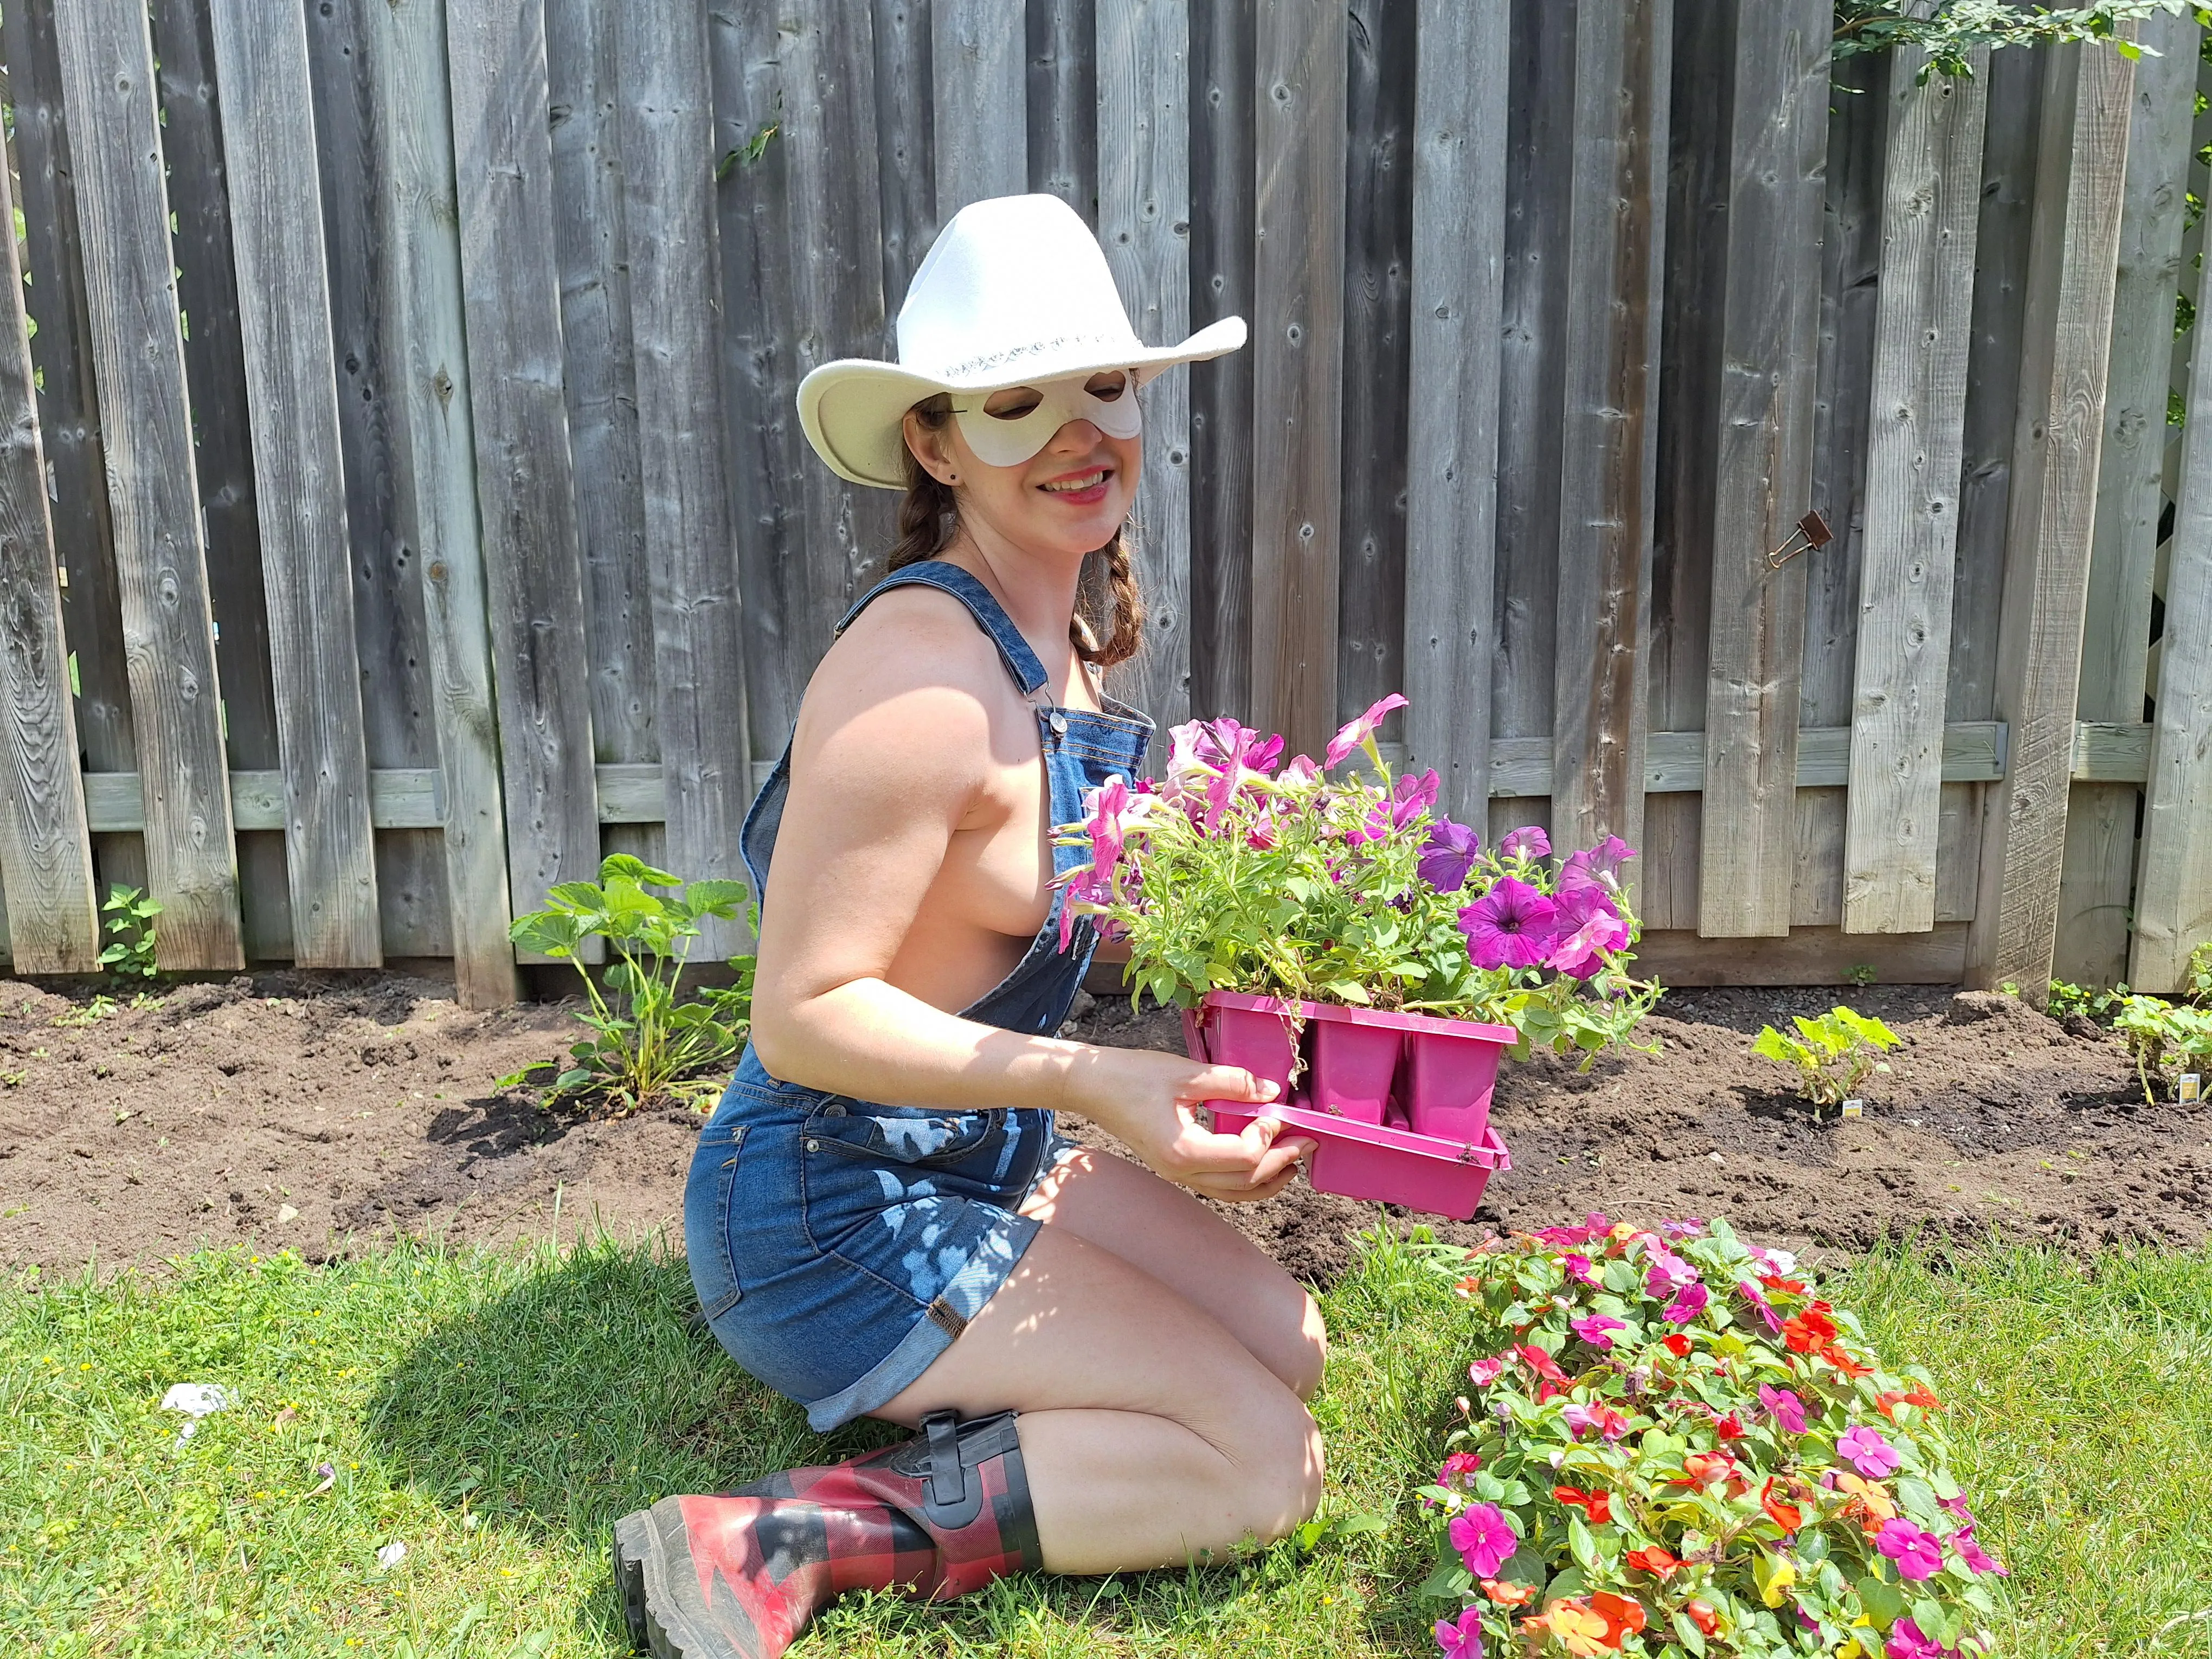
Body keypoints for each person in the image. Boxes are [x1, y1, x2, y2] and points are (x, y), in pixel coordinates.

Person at [613, 195, 1328, 1659]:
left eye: (1105, 387)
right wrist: (1091, 1084)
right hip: (821, 1212)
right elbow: (804, 1012)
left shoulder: (1056, 641)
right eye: (1017, 403)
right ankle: (785, 1530)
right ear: (936, 442)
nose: (1081, 434)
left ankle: (995, 1390)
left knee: (1292, 1350)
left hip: (983, 1165)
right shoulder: (921, 679)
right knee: (1264, 1461)